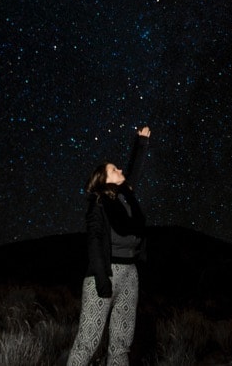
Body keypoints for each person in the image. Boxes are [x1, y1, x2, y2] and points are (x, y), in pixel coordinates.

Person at [66, 126, 151, 366]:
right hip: (104, 275)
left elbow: (133, 172)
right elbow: (94, 240)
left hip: (129, 275)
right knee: (88, 342)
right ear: (104, 179)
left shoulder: (126, 196)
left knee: (121, 345)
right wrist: (102, 279)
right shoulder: (99, 205)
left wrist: (141, 143)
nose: (120, 169)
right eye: (114, 169)